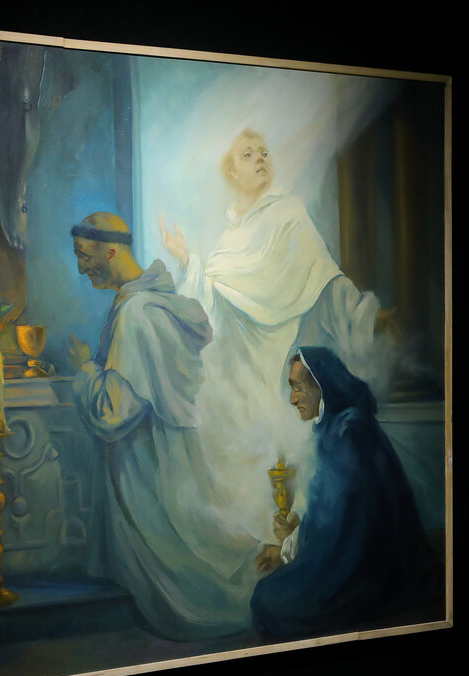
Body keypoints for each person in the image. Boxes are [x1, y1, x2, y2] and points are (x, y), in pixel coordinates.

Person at [157, 129, 383, 547]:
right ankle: (268, 544)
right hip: (238, 368)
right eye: (247, 154)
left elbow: (324, 276)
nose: (260, 158)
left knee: (283, 454)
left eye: (263, 152)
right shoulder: (231, 235)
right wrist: (187, 259)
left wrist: (360, 313)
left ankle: (291, 544)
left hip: (278, 359)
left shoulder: (289, 213)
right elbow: (211, 303)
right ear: (231, 170)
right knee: (237, 459)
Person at [69, 212, 259, 640]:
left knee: (182, 580)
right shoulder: (154, 302)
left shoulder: (137, 313)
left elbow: (113, 412)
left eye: (83, 255)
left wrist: (84, 367)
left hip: (145, 468)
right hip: (168, 456)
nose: (80, 267)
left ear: (111, 252)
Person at [249, 346, 440, 640]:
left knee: (267, 600)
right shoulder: (339, 426)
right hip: (358, 555)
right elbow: (335, 511)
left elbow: (342, 528)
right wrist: (296, 535)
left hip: (371, 569)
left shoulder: (349, 434)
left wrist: (287, 551)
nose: (292, 399)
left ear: (322, 386)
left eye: (298, 387)